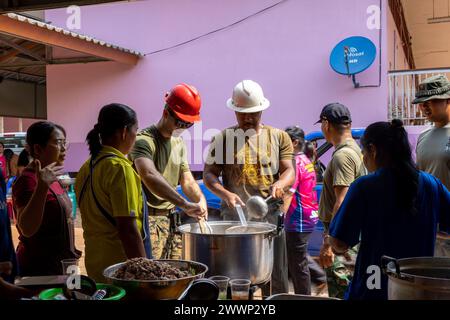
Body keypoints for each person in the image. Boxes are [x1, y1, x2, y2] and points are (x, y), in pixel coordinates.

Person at [329, 120, 450, 300]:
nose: (364, 159)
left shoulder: (365, 187)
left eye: (364, 153)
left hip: (374, 279)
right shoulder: (431, 184)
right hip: (416, 286)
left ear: (373, 150)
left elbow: (339, 244)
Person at [204, 80, 295, 296]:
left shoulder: (279, 137)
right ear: (234, 110)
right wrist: (226, 194)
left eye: (253, 113)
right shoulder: (223, 139)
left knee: (275, 275)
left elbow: (289, 170)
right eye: (242, 113)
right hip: (236, 218)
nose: (248, 118)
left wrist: (280, 183)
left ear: (262, 108)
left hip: (270, 217)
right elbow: (209, 174)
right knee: (236, 274)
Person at [129, 84, 207, 260]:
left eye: (189, 124)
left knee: (175, 274)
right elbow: (149, 175)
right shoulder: (143, 141)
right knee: (153, 278)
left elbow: (186, 180)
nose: (183, 127)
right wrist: (184, 204)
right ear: (166, 113)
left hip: (172, 220)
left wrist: (199, 198)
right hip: (149, 220)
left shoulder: (178, 143)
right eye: (180, 122)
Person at [76, 103, 149, 282]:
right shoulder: (120, 168)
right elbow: (128, 230)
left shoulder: (86, 167)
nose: (136, 136)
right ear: (125, 131)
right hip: (121, 270)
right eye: (136, 131)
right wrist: (145, 274)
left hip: (95, 265)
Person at [12, 121, 81, 276]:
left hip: (63, 266)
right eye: (58, 143)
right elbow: (27, 229)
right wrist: (42, 187)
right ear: (38, 148)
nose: (64, 149)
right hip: (40, 271)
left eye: (65, 143)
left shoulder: (51, 176)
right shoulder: (28, 180)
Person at [316, 103, 366, 299]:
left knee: (341, 290)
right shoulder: (355, 150)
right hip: (349, 235)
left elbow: (341, 201)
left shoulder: (343, 156)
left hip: (342, 239)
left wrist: (329, 243)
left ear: (326, 124)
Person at [412, 74, 450, 257]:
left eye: (430, 101)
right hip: (428, 225)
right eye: (421, 102)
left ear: (447, 100)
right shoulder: (423, 137)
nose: (424, 106)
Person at [283, 126, 320, 295]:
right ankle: (320, 278)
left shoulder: (295, 162)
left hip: (297, 218)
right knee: (300, 256)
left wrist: (280, 218)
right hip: (308, 215)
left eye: (285, 141)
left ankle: (304, 296)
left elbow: (289, 192)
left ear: (295, 142)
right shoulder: (306, 159)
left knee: (297, 265)